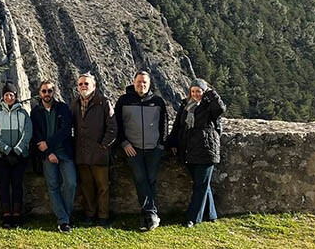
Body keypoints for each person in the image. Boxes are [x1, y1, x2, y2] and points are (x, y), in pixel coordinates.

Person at [114, 70, 168, 231]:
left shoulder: (158, 101)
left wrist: (161, 145)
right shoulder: (124, 101)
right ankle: (151, 215)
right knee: (141, 179)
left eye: (144, 82)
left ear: (149, 83)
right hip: (133, 148)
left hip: (154, 148)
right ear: (134, 82)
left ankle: (147, 216)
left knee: (150, 180)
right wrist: (124, 143)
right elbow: (117, 124)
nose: (141, 85)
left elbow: (164, 124)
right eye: (139, 82)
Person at [168, 78, 225, 228]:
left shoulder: (209, 107)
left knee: (200, 185)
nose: (195, 94)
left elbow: (220, 109)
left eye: (198, 91)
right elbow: (178, 125)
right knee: (202, 185)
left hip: (206, 151)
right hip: (188, 150)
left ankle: (192, 218)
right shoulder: (185, 105)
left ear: (204, 91)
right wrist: (172, 142)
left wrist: (210, 93)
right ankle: (211, 214)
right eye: (193, 91)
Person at [70, 72, 117, 227]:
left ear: (94, 86)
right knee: (86, 186)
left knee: (103, 186)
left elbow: (112, 128)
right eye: (81, 84)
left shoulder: (104, 103)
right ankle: (89, 215)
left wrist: (103, 146)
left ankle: (103, 216)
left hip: (99, 154)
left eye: (86, 84)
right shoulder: (75, 103)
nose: (83, 86)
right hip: (82, 153)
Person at [31, 80, 77, 233]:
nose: (47, 94)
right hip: (47, 155)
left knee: (71, 183)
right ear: (40, 93)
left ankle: (65, 216)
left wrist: (49, 144)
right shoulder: (36, 112)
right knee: (53, 187)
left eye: (49, 91)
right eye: (44, 91)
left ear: (54, 92)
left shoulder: (63, 108)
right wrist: (48, 152)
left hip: (64, 152)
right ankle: (64, 221)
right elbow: (36, 135)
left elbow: (65, 130)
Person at [0, 81, 32, 228]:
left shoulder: (23, 113)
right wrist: (6, 149)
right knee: (4, 184)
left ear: (15, 96)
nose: (9, 97)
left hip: (20, 156)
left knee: (17, 184)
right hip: (0, 156)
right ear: (3, 96)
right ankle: (6, 214)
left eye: (11, 95)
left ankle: (17, 214)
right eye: (6, 94)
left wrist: (18, 150)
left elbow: (28, 132)